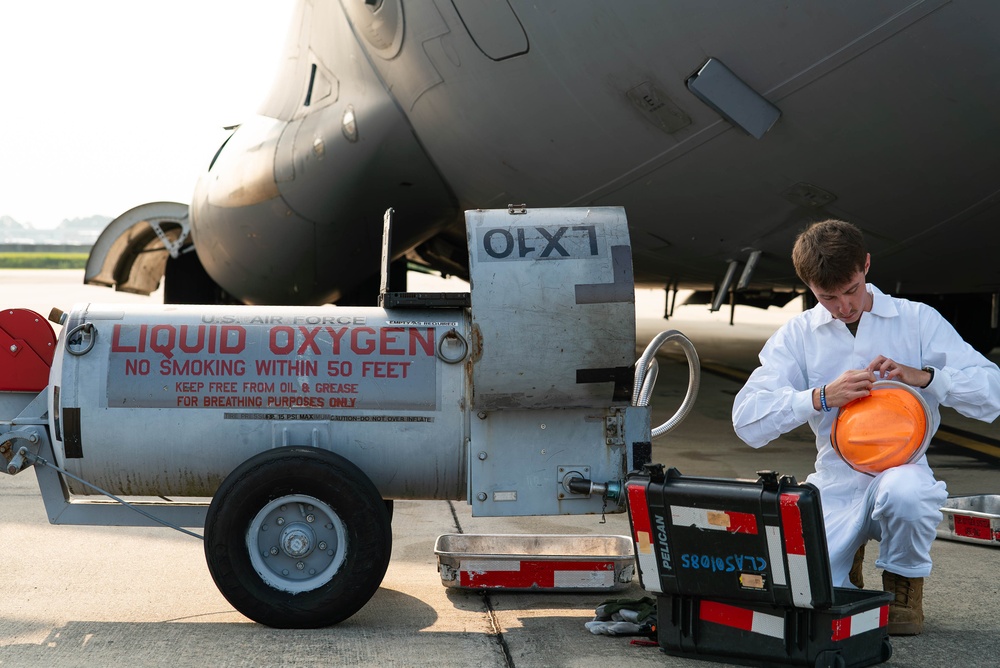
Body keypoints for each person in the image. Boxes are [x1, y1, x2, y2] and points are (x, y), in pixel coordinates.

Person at [732, 219, 1000, 635]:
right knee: (806, 607)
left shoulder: (916, 320)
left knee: (908, 493)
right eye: (827, 297)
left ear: (867, 266)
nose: (843, 307)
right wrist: (819, 396)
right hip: (835, 480)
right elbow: (747, 420)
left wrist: (926, 377)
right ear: (809, 287)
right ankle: (846, 558)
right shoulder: (799, 334)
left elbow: (993, 393)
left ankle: (904, 587)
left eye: (851, 290)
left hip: (902, 470)